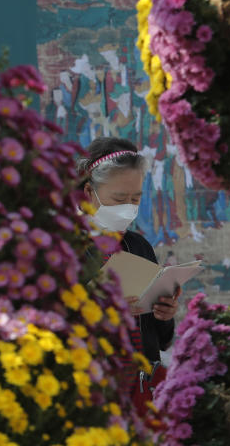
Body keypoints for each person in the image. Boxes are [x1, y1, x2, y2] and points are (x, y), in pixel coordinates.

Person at [78, 137, 178, 388]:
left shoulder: (138, 246)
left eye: (135, 199)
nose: (128, 209)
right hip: (88, 386)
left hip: (142, 387)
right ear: (89, 193)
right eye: (119, 198)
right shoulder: (66, 250)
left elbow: (161, 339)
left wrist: (164, 314)